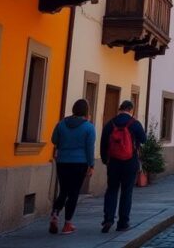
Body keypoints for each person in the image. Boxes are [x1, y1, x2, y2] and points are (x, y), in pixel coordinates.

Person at [49, 99, 96, 235]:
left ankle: (55, 214)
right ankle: (67, 224)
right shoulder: (89, 127)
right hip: (79, 163)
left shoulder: (61, 124)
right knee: (74, 193)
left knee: (63, 191)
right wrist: (91, 164)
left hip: (62, 161)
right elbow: (90, 148)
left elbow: (54, 140)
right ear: (86, 111)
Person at [100, 100, 147, 233]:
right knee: (127, 192)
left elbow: (103, 143)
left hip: (113, 162)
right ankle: (123, 223)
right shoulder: (134, 123)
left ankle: (108, 219)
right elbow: (144, 139)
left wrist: (105, 159)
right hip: (130, 162)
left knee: (112, 190)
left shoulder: (110, 123)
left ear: (120, 108)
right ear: (131, 110)